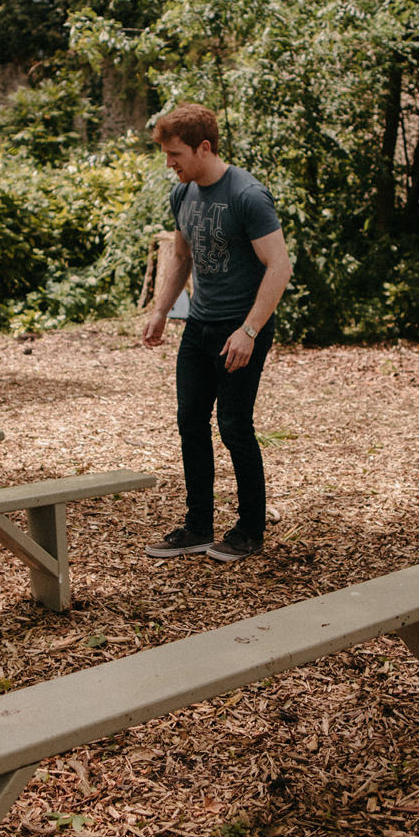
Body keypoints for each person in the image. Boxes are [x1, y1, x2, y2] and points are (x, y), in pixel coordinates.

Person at [140, 104, 292, 562]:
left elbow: (279, 266)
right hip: (200, 325)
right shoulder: (183, 194)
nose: (170, 163)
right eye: (167, 155)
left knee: (234, 426)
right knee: (190, 423)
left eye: (176, 154)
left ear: (204, 148)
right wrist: (161, 309)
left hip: (241, 328)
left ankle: (249, 531)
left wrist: (249, 330)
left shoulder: (247, 195)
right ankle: (198, 526)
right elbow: (182, 256)